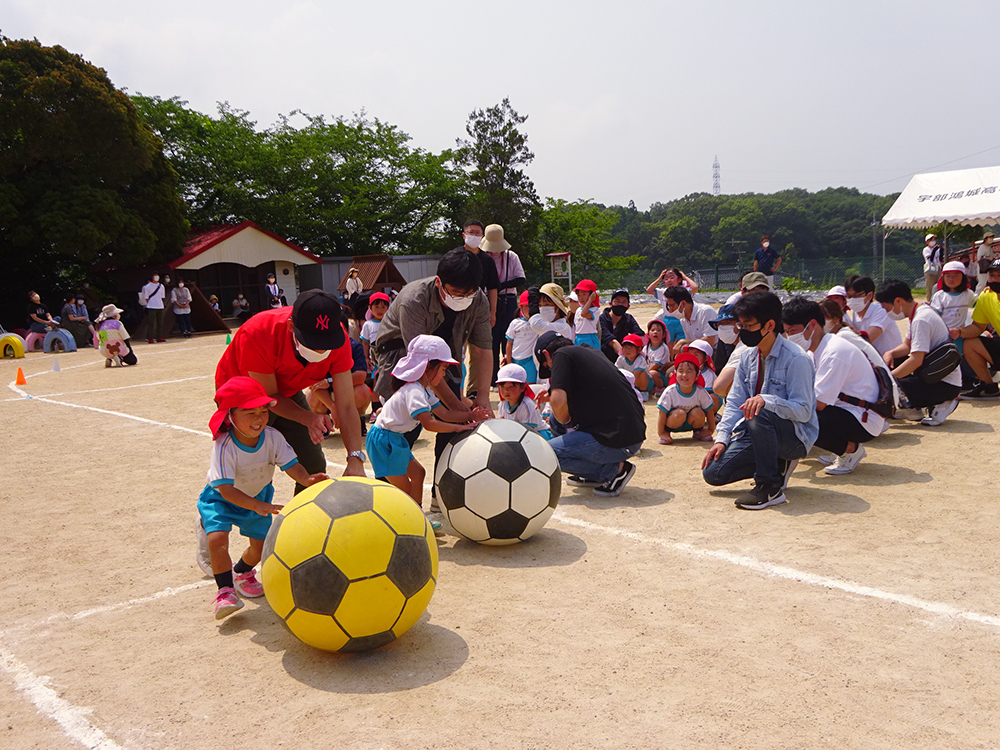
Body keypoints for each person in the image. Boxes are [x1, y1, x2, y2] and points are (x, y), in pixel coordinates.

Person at [372, 249, 495, 509]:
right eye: (456, 292)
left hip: (441, 357)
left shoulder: (479, 300)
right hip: (402, 353)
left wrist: (479, 399)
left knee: (449, 418)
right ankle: (386, 499)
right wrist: (458, 407)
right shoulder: (413, 300)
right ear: (439, 282)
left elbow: (482, 350)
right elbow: (421, 365)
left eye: (468, 293)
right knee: (404, 426)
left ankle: (441, 492)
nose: (463, 298)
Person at [198, 376, 329, 619]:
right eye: (249, 412)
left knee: (259, 548)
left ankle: (242, 572)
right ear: (230, 416)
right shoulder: (224, 445)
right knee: (217, 540)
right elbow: (226, 489)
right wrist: (258, 506)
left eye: (263, 411)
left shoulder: (273, 437)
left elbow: (291, 464)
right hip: (221, 499)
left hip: (258, 496)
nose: (259, 418)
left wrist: (306, 479)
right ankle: (225, 591)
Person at [215, 288, 367, 493]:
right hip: (245, 398)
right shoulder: (259, 332)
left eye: (326, 344)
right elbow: (269, 394)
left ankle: (305, 523)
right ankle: (214, 518)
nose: (321, 351)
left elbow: (347, 405)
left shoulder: (337, 336)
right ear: (291, 327)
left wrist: (355, 458)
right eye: (313, 343)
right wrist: (308, 417)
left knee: (313, 467)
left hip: (287, 390)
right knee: (248, 472)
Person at [701, 291, 818, 510]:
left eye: (748, 326)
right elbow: (735, 402)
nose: (742, 331)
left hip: (794, 436)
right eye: (741, 326)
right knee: (713, 473)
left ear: (770, 325)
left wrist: (767, 401)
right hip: (756, 431)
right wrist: (722, 439)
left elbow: (803, 411)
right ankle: (775, 463)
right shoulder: (746, 355)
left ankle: (769, 487)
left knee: (759, 410)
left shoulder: (797, 358)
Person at [366, 335, 476, 515]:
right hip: (384, 441)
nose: (444, 374)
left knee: (418, 474)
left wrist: (471, 415)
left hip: (394, 438)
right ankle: (408, 521)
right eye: (443, 368)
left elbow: (445, 413)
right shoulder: (414, 390)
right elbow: (430, 424)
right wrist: (458, 427)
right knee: (403, 489)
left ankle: (417, 516)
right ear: (427, 367)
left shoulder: (424, 389)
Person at [534, 331, 646, 497]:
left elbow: (558, 404)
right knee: (555, 422)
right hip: (629, 433)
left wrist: (563, 415)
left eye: (548, 366)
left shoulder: (561, 355)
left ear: (547, 355)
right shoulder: (589, 351)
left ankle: (615, 470)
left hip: (618, 440)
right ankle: (588, 472)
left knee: (548, 454)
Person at [781, 297, 883, 475]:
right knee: (795, 410)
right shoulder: (816, 349)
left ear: (812, 325)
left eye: (793, 331)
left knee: (801, 419)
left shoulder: (834, 351)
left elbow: (818, 403)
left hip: (864, 418)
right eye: (787, 332)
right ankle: (839, 447)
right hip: (848, 409)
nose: (790, 337)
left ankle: (849, 449)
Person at [875, 279, 961, 425]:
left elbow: (916, 360)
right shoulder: (917, 313)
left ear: (898, 301)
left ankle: (942, 402)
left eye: (886, 308)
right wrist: (890, 353)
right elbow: (907, 346)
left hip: (945, 384)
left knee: (888, 388)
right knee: (892, 365)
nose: (887, 312)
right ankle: (912, 408)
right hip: (932, 373)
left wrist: (888, 380)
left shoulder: (921, 319)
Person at [949, 258, 1000, 398]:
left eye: (999, 276)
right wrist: (960, 332)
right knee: (969, 342)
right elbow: (978, 326)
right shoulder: (986, 296)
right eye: (992, 275)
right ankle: (989, 387)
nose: (994, 279)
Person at [482, 224, 526, 384]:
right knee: (491, 340)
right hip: (487, 300)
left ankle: (509, 375)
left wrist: (499, 285)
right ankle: (493, 378)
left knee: (508, 340)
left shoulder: (511, 256)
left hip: (508, 300)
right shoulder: (482, 257)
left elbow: (521, 278)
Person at [657, 352, 717, 445]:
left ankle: (698, 432)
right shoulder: (670, 391)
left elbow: (709, 411)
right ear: (675, 374)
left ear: (697, 375)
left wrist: (710, 430)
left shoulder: (700, 391)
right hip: (674, 422)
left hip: (691, 422)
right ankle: (667, 432)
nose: (684, 375)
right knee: (680, 413)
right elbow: (662, 412)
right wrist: (661, 432)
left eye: (689, 371)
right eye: (680, 371)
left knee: (698, 412)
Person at [845, 275, 903, 358]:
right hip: (874, 361)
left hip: (892, 360)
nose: (852, 300)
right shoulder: (855, 313)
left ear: (869, 295)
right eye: (849, 296)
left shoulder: (881, 310)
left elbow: (866, 340)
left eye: (857, 296)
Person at [456, 220, 499, 327]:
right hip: (456, 303)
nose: (474, 235)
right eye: (471, 232)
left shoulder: (487, 260)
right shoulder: (454, 257)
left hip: (478, 305)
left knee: (480, 341)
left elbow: (492, 287)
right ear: (464, 235)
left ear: (482, 236)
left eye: (477, 233)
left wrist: (492, 313)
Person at [496, 363, 552, 439]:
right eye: (502, 386)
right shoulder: (502, 404)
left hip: (537, 436)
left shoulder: (526, 405)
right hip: (516, 436)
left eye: (511, 386)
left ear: (523, 387)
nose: (506, 390)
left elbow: (528, 431)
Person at [659, 286, 717, 353]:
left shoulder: (706, 312)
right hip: (698, 352)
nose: (670, 310)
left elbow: (710, 341)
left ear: (683, 303)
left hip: (714, 352)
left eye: (671, 306)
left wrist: (684, 341)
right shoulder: (683, 319)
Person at [598, 289, 644, 362]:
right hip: (604, 358)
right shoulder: (601, 319)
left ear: (628, 306)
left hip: (623, 354)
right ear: (610, 304)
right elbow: (611, 341)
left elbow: (639, 335)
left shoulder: (628, 319)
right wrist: (625, 359)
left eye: (623, 302)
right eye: (617, 301)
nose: (620, 304)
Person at [504, 291, 539, 382]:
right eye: (527, 306)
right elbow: (509, 343)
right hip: (516, 359)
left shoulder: (538, 323)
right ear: (521, 307)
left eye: (532, 306)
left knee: (530, 385)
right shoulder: (515, 323)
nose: (530, 309)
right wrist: (509, 361)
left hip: (530, 360)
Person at [930, 260, 975, 329]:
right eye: (948, 276)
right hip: (943, 333)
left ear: (963, 278)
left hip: (961, 333)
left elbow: (980, 304)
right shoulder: (939, 296)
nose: (951, 279)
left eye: (956, 276)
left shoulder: (968, 294)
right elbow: (934, 317)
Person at [360, 292, 390, 375]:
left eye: (383, 307)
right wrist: (366, 358)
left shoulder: (391, 324)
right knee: (376, 379)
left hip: (390, 358)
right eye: (376, 307)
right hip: (375, 360)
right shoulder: (368, 325)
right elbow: (365, 343)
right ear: (370, 308)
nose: (380, 310)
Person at [643, 318, 671, 395]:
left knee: (653, 373)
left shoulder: (663, 348)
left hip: (661, 374)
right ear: (648, 334)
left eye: (659, 330)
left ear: (664, 335)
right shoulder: (646, 348)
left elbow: (657, 365)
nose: (655, 332)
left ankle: (661, 387)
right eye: (652, 330)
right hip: (649, 371)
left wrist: (646, 372)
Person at [571, 279, 602, 348]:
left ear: (592, 295)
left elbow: (584, 314)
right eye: (578, 295)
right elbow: (577, 326)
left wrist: (590, 300)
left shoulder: (595, 310)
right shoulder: (578, 310)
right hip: (579, 338)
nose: (581, 298)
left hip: (590, 338)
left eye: (584, 294)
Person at [141, 274, 166, 343]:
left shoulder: (161, 286)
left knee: (160, 322)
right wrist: (150, 303)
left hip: (160, 306)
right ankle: (150, 337)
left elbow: (162, 296)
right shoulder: (147, 287)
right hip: (151, 306)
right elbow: (146, 298)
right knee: (151, 323)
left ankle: (159, 336)